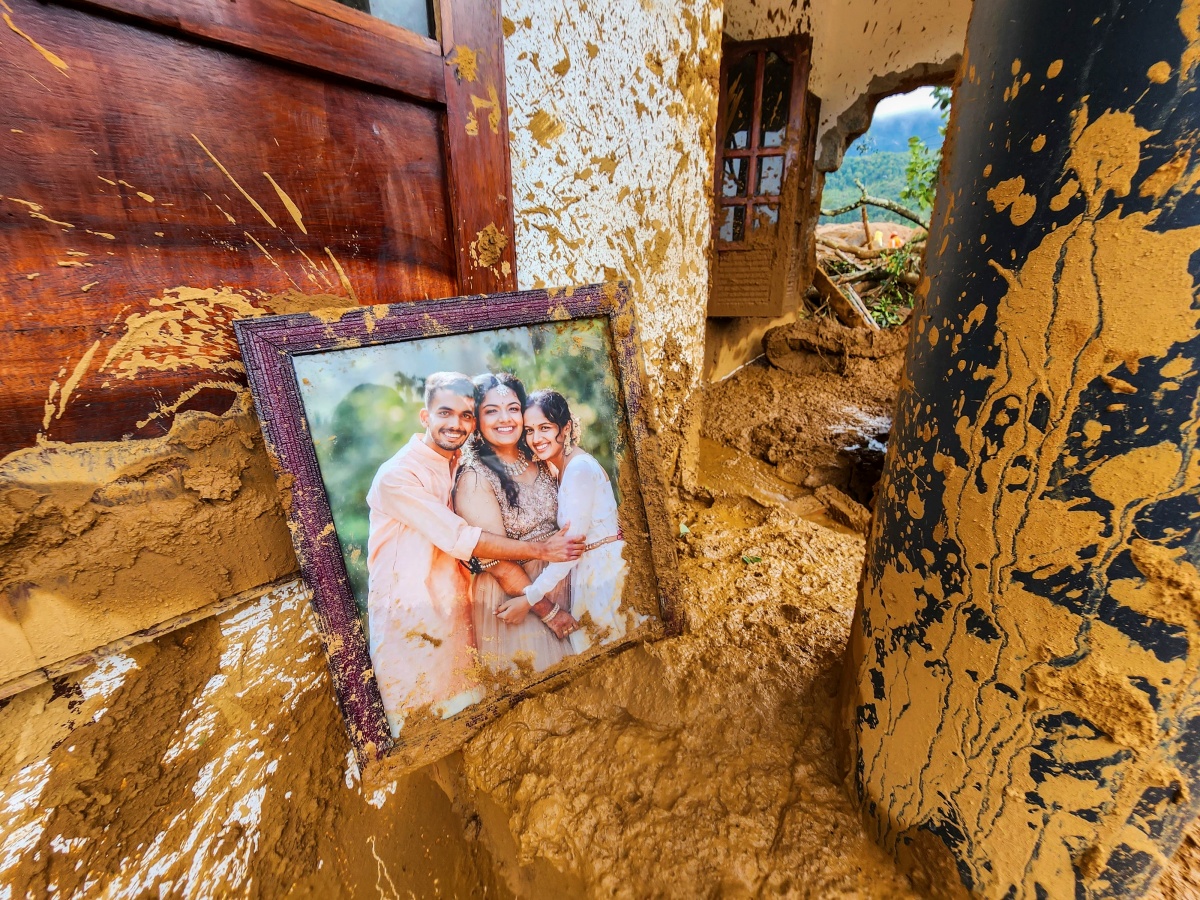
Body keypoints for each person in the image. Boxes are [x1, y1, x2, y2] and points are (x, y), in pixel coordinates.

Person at [366, 372, 584, 737]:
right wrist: (544, 573)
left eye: (465, 415)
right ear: (425, 416)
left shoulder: (452, 462)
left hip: (459, 611)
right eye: (446, 413)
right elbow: (466, 540)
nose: (456, 424)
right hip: (413, 619)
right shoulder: (399, 476)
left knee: (477, 713)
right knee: (420, 722)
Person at [453, 373, 578, 676]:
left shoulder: (540, 457)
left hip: (561, 584)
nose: (505, 418)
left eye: (512, 408)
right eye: (491, 411)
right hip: (517, 599)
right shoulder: (476, 478)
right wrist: (549, 612)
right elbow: (496, 562)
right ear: (477, 421)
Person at [521, 389, 629, 653]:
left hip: (605, 574)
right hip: (592, 570)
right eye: (529, 430)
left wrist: (528, 599)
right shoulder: (560, 467)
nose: (536, 438)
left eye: (544, 427)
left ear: (566, 427)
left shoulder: (579, 469)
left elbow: (569, 550)